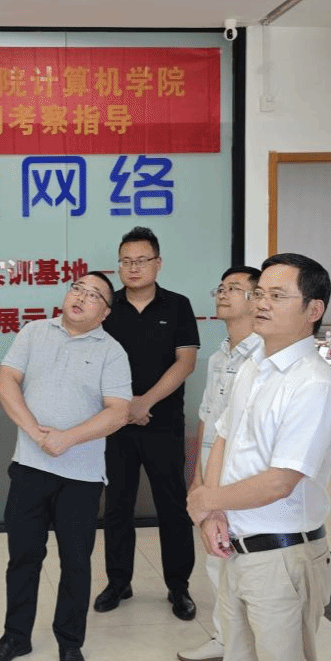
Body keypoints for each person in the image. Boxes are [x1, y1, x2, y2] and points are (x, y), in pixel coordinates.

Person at [181, 252, 331, 661]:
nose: (262, 303)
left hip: (282, 557)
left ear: (313, 310)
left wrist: (207, 500)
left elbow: (281, 480)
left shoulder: (314, 384)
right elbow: (223, 437)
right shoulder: (254, 365)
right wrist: (213, 513)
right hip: (238, 545)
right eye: (259, 293)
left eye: (278, 296)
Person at [0, 272, 132, 661]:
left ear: (105, 312)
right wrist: (36, 433)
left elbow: (118, 411)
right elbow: (5, 382)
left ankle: (70, 642)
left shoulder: (112, 352)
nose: (81, 297)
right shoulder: (34, 332)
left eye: (94, 295)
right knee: (23, 557)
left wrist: (67, 438)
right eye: (77, 288)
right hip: (29, 468)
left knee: (75, 562)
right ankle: (16, 636)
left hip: (81, 477)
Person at [94, 226, 201, 621]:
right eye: (126, 261)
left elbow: (185, 362)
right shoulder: (106, 308)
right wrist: (124, 408)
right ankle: (118, 581)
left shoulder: (178, 305)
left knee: (172, 505)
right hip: (114, 424)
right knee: (117, 505)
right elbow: (92, 361)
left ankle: (179, 586)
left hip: (163, 422)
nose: (133, 267)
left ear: (158, 263)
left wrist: (144, 402)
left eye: (141, 260)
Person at [177, 264, 261, 661]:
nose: (223, 294)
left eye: (234, 288)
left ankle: (249, 642)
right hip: (212, 472)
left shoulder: (263, 358)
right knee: (217, 557)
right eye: (221, 288)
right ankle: (225, 637)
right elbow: (206, 418)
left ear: (256, 300)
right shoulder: (217, 357)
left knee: (247, 560)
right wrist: (197, 477)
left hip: (243, 475)